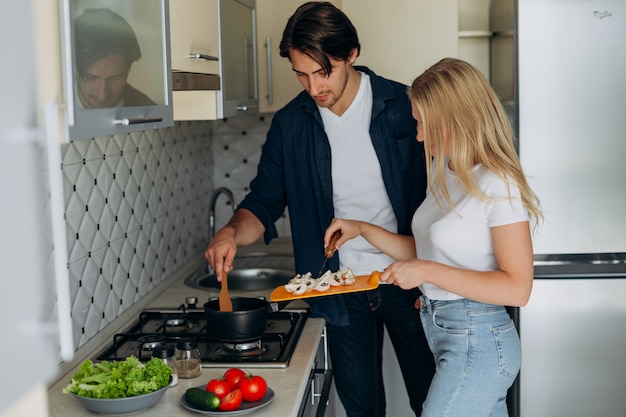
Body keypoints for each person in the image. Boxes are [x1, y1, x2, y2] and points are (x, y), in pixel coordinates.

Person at [204, 2, 434, 416]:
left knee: (435, 403)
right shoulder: (291, 124)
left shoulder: (403, 107)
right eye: (301, 74)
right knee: (362, 409)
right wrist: (230, 232)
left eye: (322, 72)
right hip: (339, 290)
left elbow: (443, 196)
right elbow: (263, 202)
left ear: (351, 54)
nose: (313, 88)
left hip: (411, 283)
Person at [324, 57, 543, 417]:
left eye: (423, 123)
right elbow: (427, 250)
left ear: (454, 120)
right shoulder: (449, 170)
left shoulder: (497, 183)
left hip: (479, 342)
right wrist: (362, 229)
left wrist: (426, 273)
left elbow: (518, 288)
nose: (419, 135)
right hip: (447, 334)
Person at [73, 8, 156, 108]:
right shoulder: (53, 108)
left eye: (115, 78)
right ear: (74, 69)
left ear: (128, 70)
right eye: (90, 78)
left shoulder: (150, 114)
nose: (102, 95)